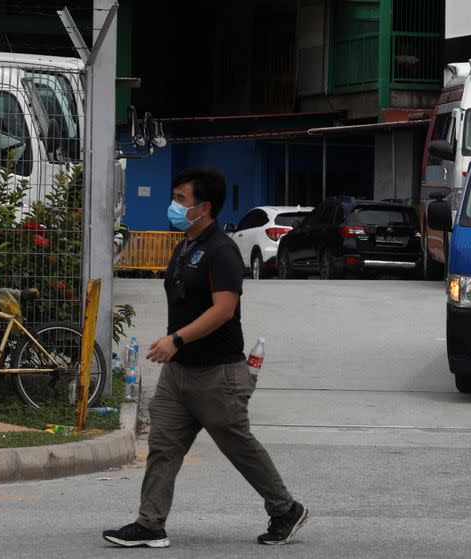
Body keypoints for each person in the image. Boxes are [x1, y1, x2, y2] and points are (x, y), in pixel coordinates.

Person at [103, 168, 308, 549]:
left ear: (205, 207)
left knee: (239, 446)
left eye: (182, 199)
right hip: (179, 375)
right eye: (175, 197)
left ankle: (285, 509)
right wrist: (177, 348)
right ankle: (150, 523)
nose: (174, 205)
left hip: (218, 374)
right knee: (163, 446)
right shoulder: (184, 245)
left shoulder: (222, 250)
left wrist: (176, 340)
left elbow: (224, 310)